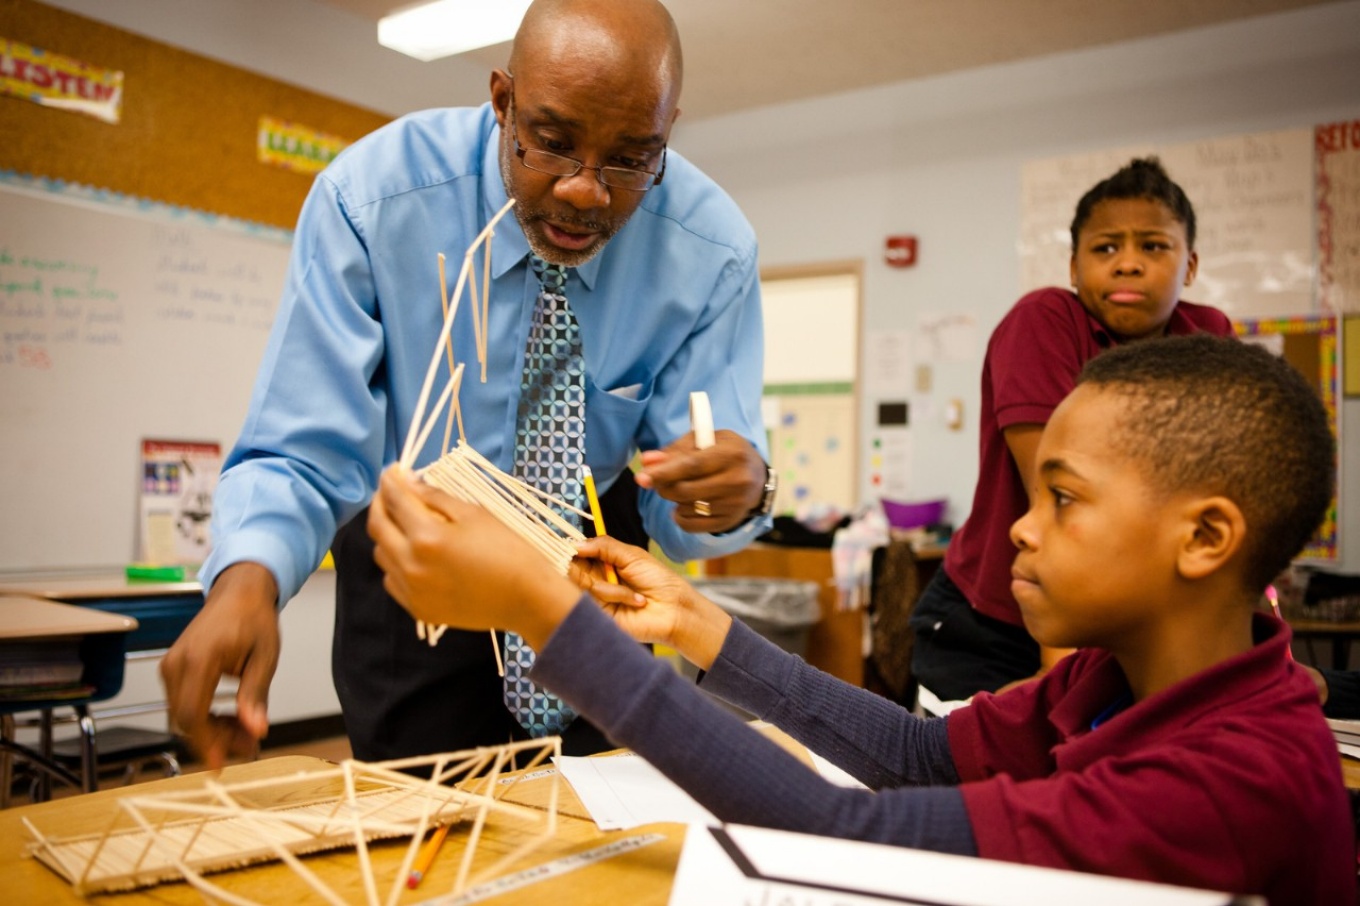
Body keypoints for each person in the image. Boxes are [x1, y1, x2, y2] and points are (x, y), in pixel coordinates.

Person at [368, 334, 1352, 903]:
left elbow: (839, 831)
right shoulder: (1110, 678)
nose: (1012, 530)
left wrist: (546, 614)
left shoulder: (1227, 785)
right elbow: (922, 759)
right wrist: (695, 623)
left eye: (1060, 498)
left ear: (1205, 538)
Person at [160, 0, 777, 769]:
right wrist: (245, 580)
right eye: (551, 144)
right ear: (502, 101)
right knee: (424, 852)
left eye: (630, 158)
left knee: (602, 846)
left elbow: (688, 511)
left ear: (669, 130)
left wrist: (737, 492)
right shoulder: (372, 201)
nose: (586, 191)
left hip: (597, 590)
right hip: (416, 580)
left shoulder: (710, 250)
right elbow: (304, 446)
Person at [909, 157, 1235, 702]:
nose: (1127, 264)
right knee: (977, 777)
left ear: (1191, 264)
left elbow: (1218, 478)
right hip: (997, 623)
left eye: (1153, 246)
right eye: (1105, 248)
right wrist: (1062, 671)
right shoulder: (1043, 321)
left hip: (1125, 620)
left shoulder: (1207, 335)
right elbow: (1058, 497)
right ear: (1074, 267)